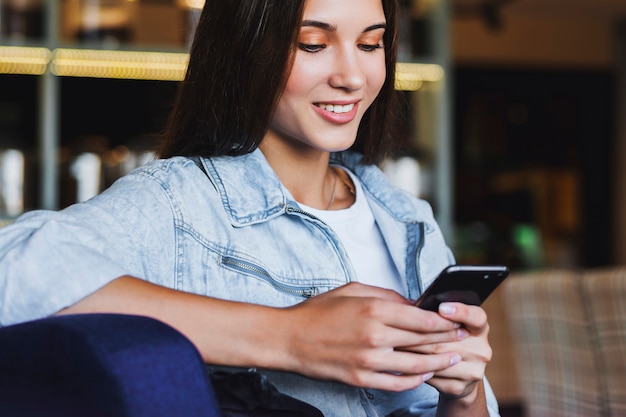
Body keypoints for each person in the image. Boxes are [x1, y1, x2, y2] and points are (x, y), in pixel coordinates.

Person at [0, 0, 501, 415]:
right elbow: (12, 271)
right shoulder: (181, 205)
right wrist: (289, 335)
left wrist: (465, 392)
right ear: (246, 49)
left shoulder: (409, 220)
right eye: (313, 44)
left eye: (371, 44)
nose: (352, 76)